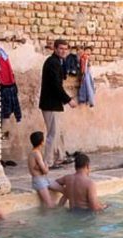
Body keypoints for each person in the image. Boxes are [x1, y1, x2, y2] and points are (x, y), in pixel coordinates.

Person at [39, 39, 78, 169]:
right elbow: (56, 86)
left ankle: (60, 158)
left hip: (54, 103)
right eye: (61, 48)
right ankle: (47, 163)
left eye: (65, 49)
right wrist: (68, 100)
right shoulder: (52, 63)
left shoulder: (59, 62)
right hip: (50, 104)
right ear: (55, 49)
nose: (63, 51)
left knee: (59, 132)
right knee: (53, 134)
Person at [26, 131, 61, 208]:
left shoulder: (33, 152)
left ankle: (61, 205)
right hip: (39, 181)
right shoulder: (36, 154)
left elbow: (38, 168)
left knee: (64, 190)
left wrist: (40, 167)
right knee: (50, 205)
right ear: (42, 142)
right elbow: (45, 171)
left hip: (43, 179)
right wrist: (45, 165)